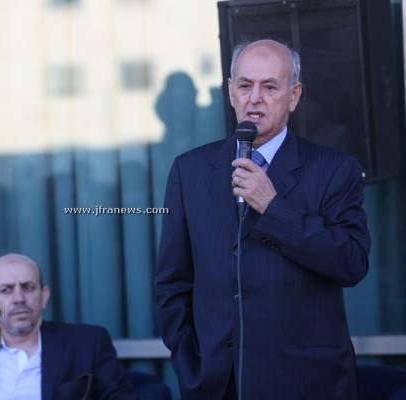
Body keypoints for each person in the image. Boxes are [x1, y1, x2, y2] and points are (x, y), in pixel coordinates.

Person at [154, 39, 370, 400]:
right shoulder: (190, 170)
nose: (255, 98)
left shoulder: (334, 169)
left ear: (294, 95)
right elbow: (172, 285)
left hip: (306, 384)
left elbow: (351, 264)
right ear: (230, 92)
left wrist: (273, 207)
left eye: (269, 87)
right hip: (217, 384)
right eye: (245, 85)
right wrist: (192, 366)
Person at [0, 253, 137, 400]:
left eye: (28, 287)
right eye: (6, 290)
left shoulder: (87, 344)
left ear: (44, 296)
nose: (19, 298)